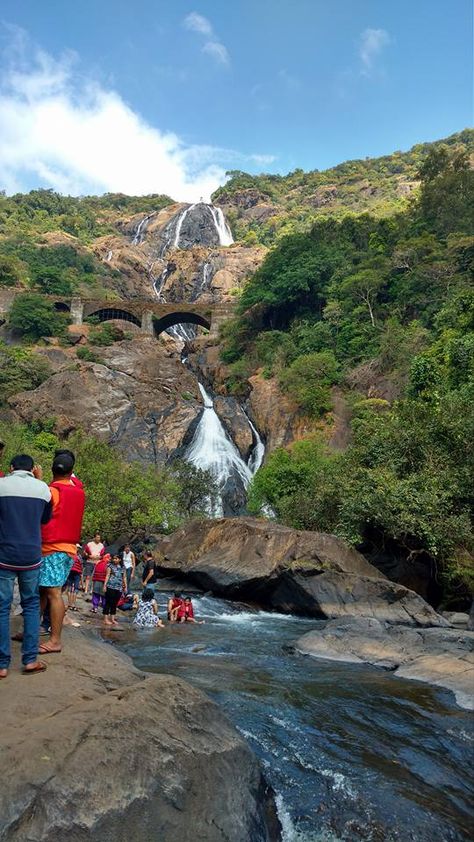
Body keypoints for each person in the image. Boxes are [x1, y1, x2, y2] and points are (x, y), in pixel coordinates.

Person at [0, 454, 52, 676]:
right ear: (33, 469)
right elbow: (45, 519)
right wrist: (40, 481)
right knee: (31, 605)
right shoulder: (43, 489)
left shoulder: (1, 485)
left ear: (11, 468)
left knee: (2, 608)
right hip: (31, 556)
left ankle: (2, 665)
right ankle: (30, 660)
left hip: (4, 554)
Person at [39, 453, 86, 655]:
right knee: (42, 590)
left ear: (52, 470)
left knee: (53, 593)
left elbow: (38, 509)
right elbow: (75, 481)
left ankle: (55, 640)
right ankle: (30, 630)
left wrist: (37, 479)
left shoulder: (50, 491)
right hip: (69, 549)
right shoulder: (78, 491)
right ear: (70, 471)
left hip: (52, 549)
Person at [103, 554, 127, 626]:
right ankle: (105, 619)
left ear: (120, 559)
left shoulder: (123, 567)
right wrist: (104, 585)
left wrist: (125, 587)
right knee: (108, 602)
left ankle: (112, 619)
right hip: (110, 586)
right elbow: (107, 576)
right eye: (114, 558)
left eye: (116, 559)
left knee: (115, 603)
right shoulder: (110, 566)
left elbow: (124, 577)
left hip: (119, 587)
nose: (114, 560)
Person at [65, 546, 83, 612]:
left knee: (69, 588)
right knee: (75, 589)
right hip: (77, 573)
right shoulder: (79, 557)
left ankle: (69, 604)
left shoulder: (70, 555)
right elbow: (81, 565)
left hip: (70, 572)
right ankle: (73, 605)